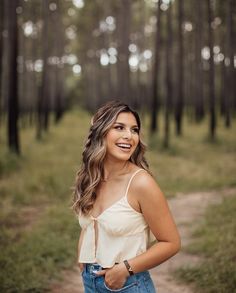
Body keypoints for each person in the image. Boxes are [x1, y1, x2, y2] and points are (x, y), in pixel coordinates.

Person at [73, 100, 181, 292]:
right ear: (101, 132)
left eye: (134, 130)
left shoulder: (141, 183)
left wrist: (125, 269)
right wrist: (82, 258)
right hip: (90, 282)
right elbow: (91, 223)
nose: (129, 136)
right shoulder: (91, 177)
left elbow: (171, 243)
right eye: (119, 127)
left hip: (128, 285)